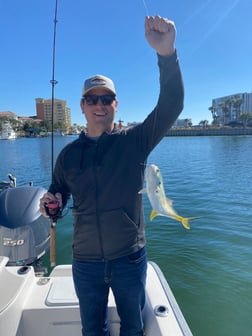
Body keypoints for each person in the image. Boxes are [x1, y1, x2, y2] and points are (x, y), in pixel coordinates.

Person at [40, 15, 184, 336]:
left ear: (116, 104)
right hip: (86, 263)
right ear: (82, 106)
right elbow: (58, 194)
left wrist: (166, 54)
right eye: (92, 99)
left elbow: (171, 104)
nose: (99, 105)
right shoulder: (68, 155)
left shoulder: (135, 142)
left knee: (133, 326)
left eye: (106, 99)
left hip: (129, 259)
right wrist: (51, 204)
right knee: (92, 330)